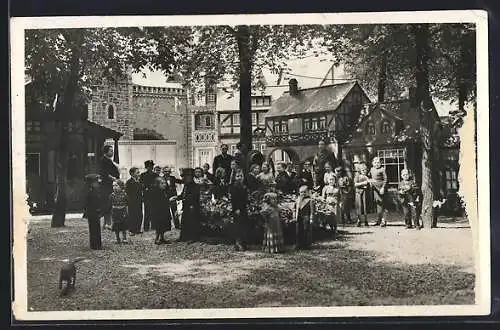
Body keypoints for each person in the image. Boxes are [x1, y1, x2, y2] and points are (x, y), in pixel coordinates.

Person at [171, 168, 201, 243]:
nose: (183, 178)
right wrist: (177, 197)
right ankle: (183, 237)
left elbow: (194, 197)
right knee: (184, 222)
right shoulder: (186, 185)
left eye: (185, 177)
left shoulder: (195, 186)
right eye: (183, 177)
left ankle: (193, 237)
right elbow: (183, 195)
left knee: (192, 222)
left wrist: (191, 205)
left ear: (190, 177)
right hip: (186, 206)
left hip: (192, 207)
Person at [99, 145, 120, 230]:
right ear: (106, 151)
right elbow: (104, 173)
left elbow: (115, 171)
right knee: (107, 204)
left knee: (109, 204)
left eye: (112, 150)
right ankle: (108, 223)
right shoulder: (103, 161)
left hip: (110, 184)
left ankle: (106, 224)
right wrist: (113, 178)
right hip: (106, 185)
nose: (112, 152)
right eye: (111, 151)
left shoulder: (109, 161)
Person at [229, 169, 249, 251]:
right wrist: (236, 209)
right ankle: (238, 243)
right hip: (237, 209)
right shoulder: (233, 187)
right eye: (238, 176)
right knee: (238, 226)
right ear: (235, 177)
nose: (239, 178)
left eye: (241, 176)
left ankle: (243, 243)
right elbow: (234, 199)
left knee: (244, 225)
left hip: (243, 209)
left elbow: (244, 199)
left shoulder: (244, 186)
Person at [150, 177, 172, 244]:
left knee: (163, 225)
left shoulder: (163, 191)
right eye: (162, 183)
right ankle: (157, 239)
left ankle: (162, 238)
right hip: (159, 212)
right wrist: (168, 201)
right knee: (159, 226)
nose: (164, 185)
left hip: (164, 211)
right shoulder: (156, 192)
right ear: (157, 184)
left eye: (165, 183)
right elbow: (158, 203)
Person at [83, 174, 102, 250]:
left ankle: (97, 244)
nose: (98, 182)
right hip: (92, 211)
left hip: (95, 211)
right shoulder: (90, 191)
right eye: (96, 181)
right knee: (93, 228)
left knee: (96, 228)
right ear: (92, 182)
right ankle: (95, 245)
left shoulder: (95, 190)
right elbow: (90, 202)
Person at [369, 157, 388, 227]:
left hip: (381, 189)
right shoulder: (371, 169)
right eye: (375, 162)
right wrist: (370, 182)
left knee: (383, 205)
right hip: (374, 189)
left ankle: (384, 220)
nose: (377, 164)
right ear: (372, 163)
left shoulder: (382, 169)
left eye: (378, 162)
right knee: (377, 204)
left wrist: (383, 188)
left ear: (381, 163)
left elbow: (386, 179)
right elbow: (369, 177)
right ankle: (378, 220)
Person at [294, 185, 315, 250]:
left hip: (306, 217)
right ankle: (298, 244)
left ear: (308, 192)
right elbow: (294, 209)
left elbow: (312, 211)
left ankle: (306, 245)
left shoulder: (310, 200)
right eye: (301, 192)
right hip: (299, 217)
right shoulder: (297, 200)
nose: (302, 194)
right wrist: (294, 216)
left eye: (304, 192)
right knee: (298, 231)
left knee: (306, 230)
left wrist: (311, 218)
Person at [140, 160, 158, 232]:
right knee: (147, 211)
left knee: (154, 211)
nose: (150, 168)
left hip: (154, 196)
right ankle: (146, 227)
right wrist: (145, 188)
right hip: (146, 196)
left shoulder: (155, 175)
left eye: (151, 166)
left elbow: (157, 184)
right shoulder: (143, 175)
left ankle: (154, 226)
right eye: (148, 167)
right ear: (146, 167)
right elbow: (141, 184)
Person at [125, 167, 143, 235]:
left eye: (139, 172)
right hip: (132, 202)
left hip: (139, 201)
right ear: (132, 174)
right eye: (137, 172)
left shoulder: (139, 181)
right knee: (132, 215)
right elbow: (127, 192)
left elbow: (141, 189)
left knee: (139, 215)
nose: (139, 174)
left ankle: (137, 229)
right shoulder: (129, 182)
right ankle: (132, 230)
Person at [110, 180, 129, 244]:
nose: (114, 187)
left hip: (122, 211)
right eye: (113, 186)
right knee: (116, 226)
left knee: (124, 225)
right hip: (115, 212)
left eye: (116, 185)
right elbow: (110, 204)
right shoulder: (112, 195)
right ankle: (117, 238)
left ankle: (124, 238)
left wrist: (126, 212)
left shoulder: (125, 194)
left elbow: (127, 203)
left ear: (121, 186)